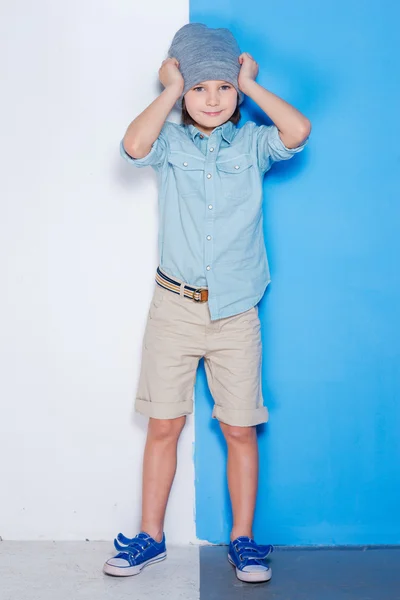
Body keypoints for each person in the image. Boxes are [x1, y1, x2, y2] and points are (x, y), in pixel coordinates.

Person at [103, 22, 311, 584]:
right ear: (183, 89)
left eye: (223, 86)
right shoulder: (170, 143)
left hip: (236, 312)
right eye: (199, 87)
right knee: (164, 425)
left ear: (238, 88)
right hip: (174, 308)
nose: (212, 99)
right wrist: (169, 89)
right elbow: (133, 146)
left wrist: (251, 83)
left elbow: (297, 130)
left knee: (240, 428)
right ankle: (150, 537)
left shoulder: (252, 143)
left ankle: (243, 541)